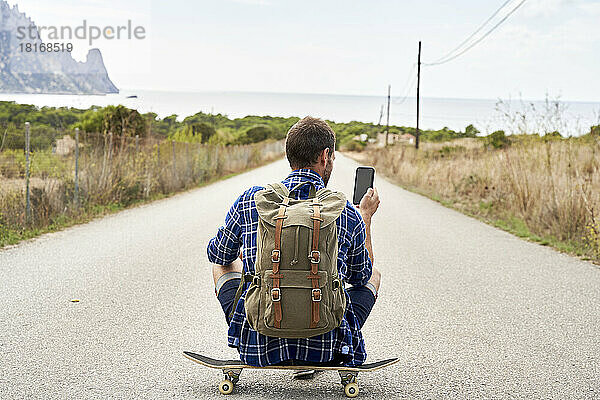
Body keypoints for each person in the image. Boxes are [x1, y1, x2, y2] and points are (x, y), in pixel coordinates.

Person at [207, 116, 381, 373]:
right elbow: (361, 277)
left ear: (289, 156)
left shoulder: (251, 199)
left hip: (258, 347)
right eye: (332, 158)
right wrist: (365, 217)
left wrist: (254, 259)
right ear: (325, 156)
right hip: (327, 348)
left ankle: (256, 336)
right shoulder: (345, 211)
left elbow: (217, 253)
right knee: (374, 275)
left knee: (222, 265)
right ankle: (317, 349)